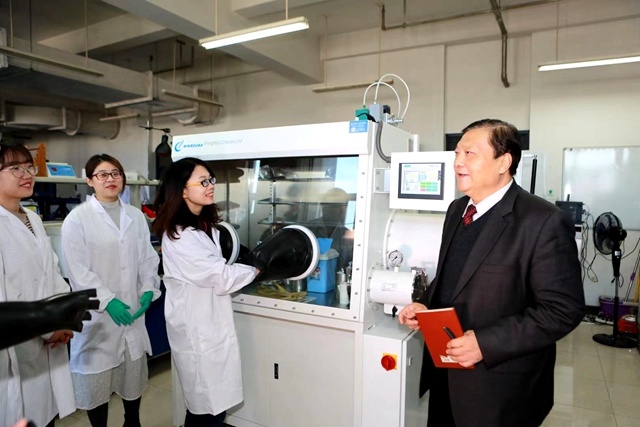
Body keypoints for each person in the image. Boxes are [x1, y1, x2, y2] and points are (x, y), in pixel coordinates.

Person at [398, 119, 585, 427]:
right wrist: (425, 305)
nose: (458, 162)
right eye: (457, 153)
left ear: (503, 162)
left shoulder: (542, 221)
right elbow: (453, 278)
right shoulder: (457, 210)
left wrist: (485, 344)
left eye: (470, 153)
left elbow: (563, 310)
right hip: (446, 374)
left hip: (499, 389)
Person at [152, 157, 260, 427]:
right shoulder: (180, 235)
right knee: (205, 408)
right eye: (203, 181)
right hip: (197, 330)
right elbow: (221, 276)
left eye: (211, 180)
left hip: (210, 323)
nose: (210, 185)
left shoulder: (204, 226)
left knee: (214, 405)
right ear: (182, 190)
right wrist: (258, 268)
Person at [61, 154, 161, 427]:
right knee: (97, 382)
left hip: (132, 311)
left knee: (132, 375)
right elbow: (78, 271)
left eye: (116, 173)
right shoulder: (77, 219)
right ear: (89, 181)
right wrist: (107, 300)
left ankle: (133, 422)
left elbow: (147, 258)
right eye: (102, 174)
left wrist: (148, 288)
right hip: (98, 317)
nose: (111, 179)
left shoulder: (135, 216)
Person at [0, 140, 76, 427]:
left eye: (28, 167)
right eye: (14, 168)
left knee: (45, 416)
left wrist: (64, 318)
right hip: (16, 344)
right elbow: (5, 294)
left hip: (48, 339)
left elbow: (51, 271)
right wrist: (48, 326)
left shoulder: (31, 217)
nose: (26, 174)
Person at [307, 187, 354, 271]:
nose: (336, 211)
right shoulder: (308, 230)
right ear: (322, 205)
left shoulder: (348, 236)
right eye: (332, 206)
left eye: (341, 206)